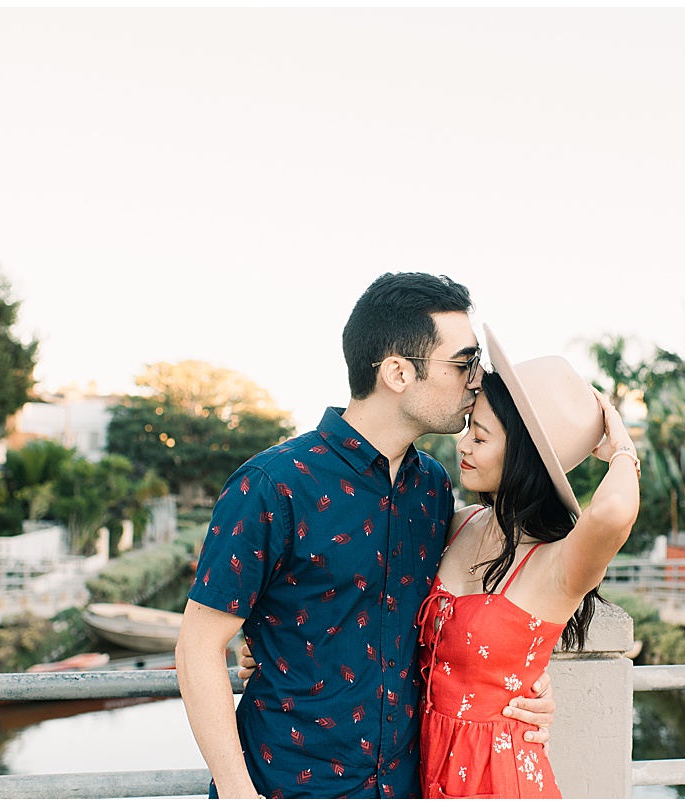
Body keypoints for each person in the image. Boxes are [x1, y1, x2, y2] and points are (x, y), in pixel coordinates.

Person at [175, 273, 555, 800]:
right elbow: (197, 646)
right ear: (398, 372)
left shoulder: (433, 488)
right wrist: (240, 796)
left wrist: (520, 681)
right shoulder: (273, 485)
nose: (477, 380)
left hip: (406, 786)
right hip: (285, 785)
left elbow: (454, 615)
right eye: (464, 362)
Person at [242, 323, 641, 798]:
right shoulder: (459, 522)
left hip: (497, 773)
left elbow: (615, 511)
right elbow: (372, 582)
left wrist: (620, 446)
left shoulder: (558, 563)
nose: (464, 444)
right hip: (422, 764)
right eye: (471, 427)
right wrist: (275, 643)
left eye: (483, 437)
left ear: (526, 458)